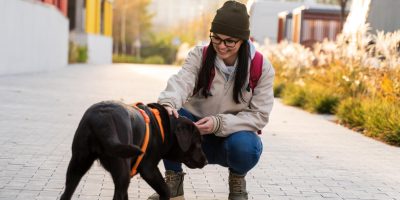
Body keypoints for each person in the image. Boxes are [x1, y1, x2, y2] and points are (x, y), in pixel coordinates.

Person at [148, 1, 275, 200]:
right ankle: (173, 184)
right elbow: (182, 81)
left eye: (229, 41)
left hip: (232, 139)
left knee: (247, 147)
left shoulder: (261, 67)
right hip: (195, 134)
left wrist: (218, 123)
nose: (221, 46)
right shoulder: (200, 55)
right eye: (216, 38)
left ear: (243, 40)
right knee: (167, 120)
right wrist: (168, 104)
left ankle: (237, 182)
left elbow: (259, 115)